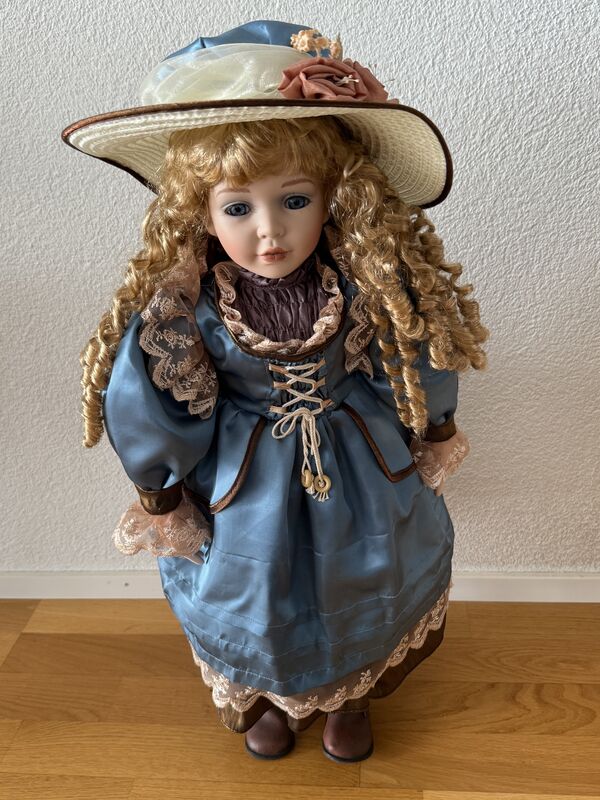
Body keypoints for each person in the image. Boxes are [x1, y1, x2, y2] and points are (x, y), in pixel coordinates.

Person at [62, 20, 489, 763]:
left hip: (361, 465)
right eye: (238, 208)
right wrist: (162, 488)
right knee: (254, 594)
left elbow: (414, 354)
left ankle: (350, 699)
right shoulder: (187, 309)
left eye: (295, 200)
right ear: (199, 211)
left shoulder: (364, 283)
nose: (270, 232)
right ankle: (267, 699)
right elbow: (153, 400)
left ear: (333, 198)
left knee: (364, 577)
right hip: (245, 483)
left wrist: (435, 425)